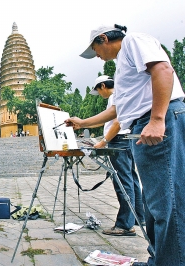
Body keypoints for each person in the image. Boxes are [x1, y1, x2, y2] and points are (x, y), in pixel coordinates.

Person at [71, 24, 185, 266]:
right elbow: (118, 111)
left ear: (104, 38)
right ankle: (160, 258)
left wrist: (156, 119)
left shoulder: (133, 41)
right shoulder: (122, 65)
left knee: (167, 201)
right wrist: (82, 123)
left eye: (96, 50)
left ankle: (172, 261)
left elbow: (163, 69)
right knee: (153, 202)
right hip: (139, 126)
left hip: (155, 123)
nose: (98, 56)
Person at [66, 75, 145, 237]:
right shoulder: (118, 96)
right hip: (126, 140)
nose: (99, 95)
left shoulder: (115, 97)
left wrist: (104, 141)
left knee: (123, 181)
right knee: (131, 178)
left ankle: (125, 224)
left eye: (98, 91)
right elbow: (104, 121)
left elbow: (117, 122)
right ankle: (137, 217)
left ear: (102, 86)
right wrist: (81, 123)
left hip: (118, 140)